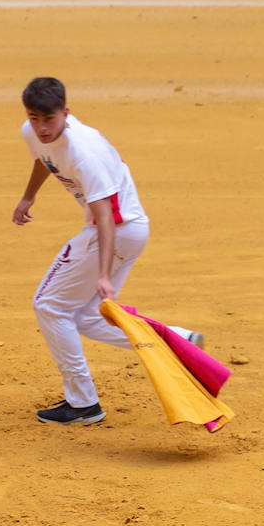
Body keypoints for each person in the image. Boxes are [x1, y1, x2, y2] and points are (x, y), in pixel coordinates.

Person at [13, 77, 203, 425]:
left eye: (48, 119)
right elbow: (45, 158)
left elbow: (104, 216)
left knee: (49, 305)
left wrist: (102, 274)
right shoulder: (34, 131)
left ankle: (83, 404)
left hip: (116, 229)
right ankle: (177, 341)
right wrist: (29, 196)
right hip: (127, 228)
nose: (41, 127)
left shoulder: (86, 154)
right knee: (83, 316)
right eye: (34, 118)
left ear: (65, 114)